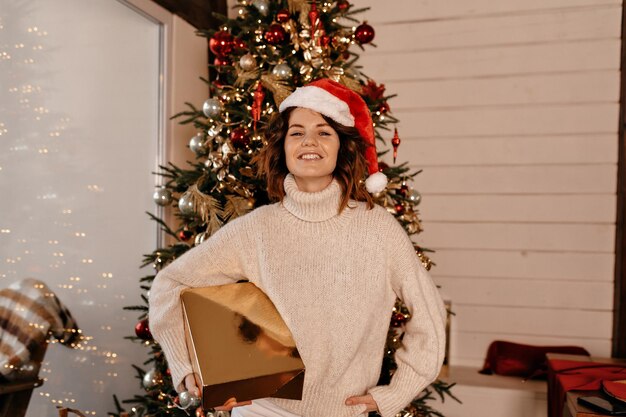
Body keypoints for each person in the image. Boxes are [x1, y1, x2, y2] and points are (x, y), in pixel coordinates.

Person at [148, 79, 447, 417]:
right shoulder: (257, 228)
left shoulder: (378, 229)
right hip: (262, 411)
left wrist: (397, 391)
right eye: (297, 132)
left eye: (323, 132)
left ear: (341, 147)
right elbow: (169, 285)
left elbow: (430, 316)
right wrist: (186, 367)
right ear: (283, 146)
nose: (309, 142)